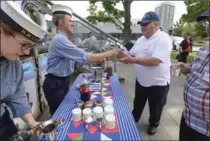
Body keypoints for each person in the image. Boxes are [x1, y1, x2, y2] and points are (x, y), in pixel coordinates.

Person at [43, 4, 117, 115]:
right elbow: (84, 56)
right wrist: (106, 54)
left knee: (64, 112)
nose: (72, 23)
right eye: (69, 21)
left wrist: (96, 59)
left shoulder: (63, 39)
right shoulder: (60, 40)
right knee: (60, 114)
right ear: (60, 22)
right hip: (55, 83)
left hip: (61, 81)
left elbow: (80, 58)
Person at [117, 11, 172, 135]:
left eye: (146, 23)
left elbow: (155, 60)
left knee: (156, 106)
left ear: (156, 24)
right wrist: (122, 54)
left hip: (158, 82)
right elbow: (132, 54)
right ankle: (135, 116)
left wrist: (131, 60)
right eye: (141, 24)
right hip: (142, 80)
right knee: (138, 102)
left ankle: (154, 124)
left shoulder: (164, 38)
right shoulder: (141, 39)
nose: (142, 26)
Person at [0, 1, 47, 140]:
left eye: (31, 46)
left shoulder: (14, 63)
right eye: (24, 44)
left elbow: (16, 95)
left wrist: (32, 123)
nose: (26, 52)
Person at [178, 8, 210, 141]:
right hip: (188, 118)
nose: (208, 27)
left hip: (205, 131)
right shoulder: (204, 49)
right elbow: (196, 71)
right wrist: (187, 68)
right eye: (208, 22)